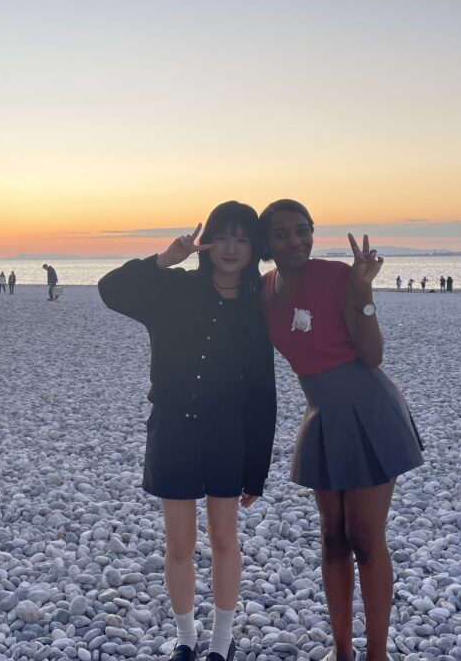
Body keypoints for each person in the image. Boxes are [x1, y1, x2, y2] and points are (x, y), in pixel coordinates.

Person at [99, 202, 277, 661]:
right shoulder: (172, 289)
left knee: (224, 538)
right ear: (207, 242)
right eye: (223, 237)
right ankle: (185, 638)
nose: (232, 248)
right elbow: (110, 289)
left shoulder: (258, 306)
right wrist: (162, 259)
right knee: (179, 542)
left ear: (253, 247)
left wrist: (257, 469)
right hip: (173, 430)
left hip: (227, 435)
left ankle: (221, 642)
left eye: (242, 239)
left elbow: (263, 391)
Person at [258, 199, 424, 661]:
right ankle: (342, 652)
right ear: (265, 245)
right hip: (322, 413)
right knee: (332, 536)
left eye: (302, 230)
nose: (295, 240)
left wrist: (363, 290)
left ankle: (376, 655)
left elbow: (371, 357)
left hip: (369, 408)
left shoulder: (335, 276)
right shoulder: (263, 290)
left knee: (366, 539)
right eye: (281, 234)